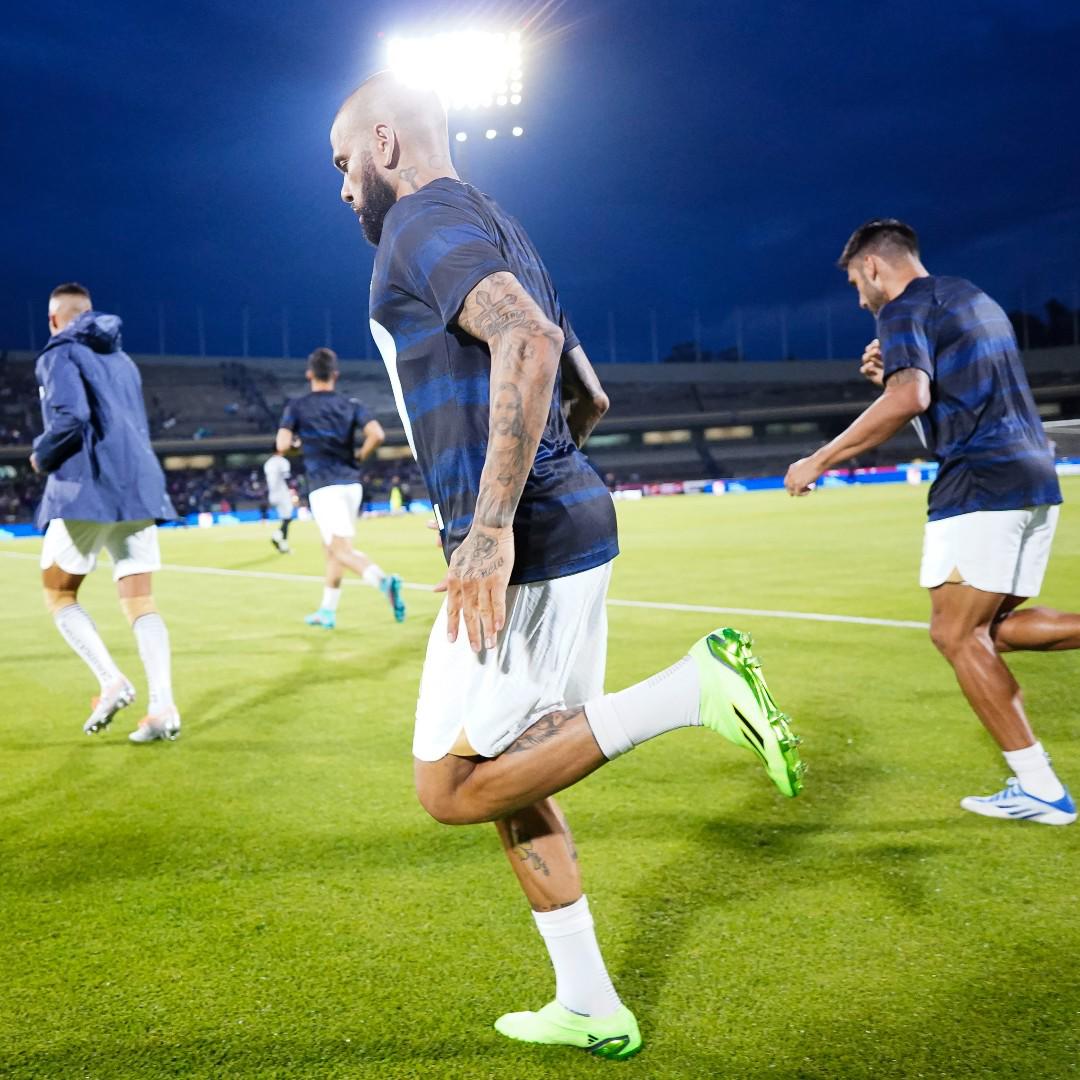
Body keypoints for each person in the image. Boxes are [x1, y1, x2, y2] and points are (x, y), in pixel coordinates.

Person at [330, 72, 805, 1060]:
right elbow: (584, 392)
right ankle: (589, 1000)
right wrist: (503, 486)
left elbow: (530, 340)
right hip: (567, 519)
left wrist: (492, 519)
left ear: (383, 145)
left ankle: (690, 690)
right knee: (509, 767)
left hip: (529, 541)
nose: (341, 191)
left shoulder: (419, 219)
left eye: (342, 165)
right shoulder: (502, 223)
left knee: (450, 788)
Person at [784, 219, 1076, 826]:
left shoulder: (901, 307)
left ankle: (1042, 791)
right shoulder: (971, 297)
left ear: (871, 267)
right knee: (988, 631)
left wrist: (819, 458)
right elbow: (943, 407)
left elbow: (910, 399)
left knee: (954, 635)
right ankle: (1038, 785)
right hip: (1032, 476)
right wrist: (886, 376)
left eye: (854, 285)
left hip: (980, 482)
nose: (858, 299)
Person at [32, 283, 180, 743]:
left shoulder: (58, 353)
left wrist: (42, 454)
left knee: (58, 592)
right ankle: (163, 709)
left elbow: (71, 419)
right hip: (138, 487)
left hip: (88, 487)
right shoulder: (122, 358)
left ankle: (111, 681)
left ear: (55, 319)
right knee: (139, 599)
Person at [277, 346, 405, 627]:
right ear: (335, 374)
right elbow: (377, 434)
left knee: (341, 549)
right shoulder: (351, 403)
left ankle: (383, 581)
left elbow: (283, 445)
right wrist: (360, 455)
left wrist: (302, 447)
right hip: (351, 484)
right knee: (331, 548)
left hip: (324, 485)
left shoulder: (297, 406)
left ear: (309, 373)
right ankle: (327, 611)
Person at [263, 448, 296, 553]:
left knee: (285, 519)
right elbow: (286, 477)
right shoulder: (283, 461)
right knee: (288, 519)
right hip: (283, 493)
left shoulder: (268, 463)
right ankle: (277, 537)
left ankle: (283, 546)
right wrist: (292, 491)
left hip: (272, 494)